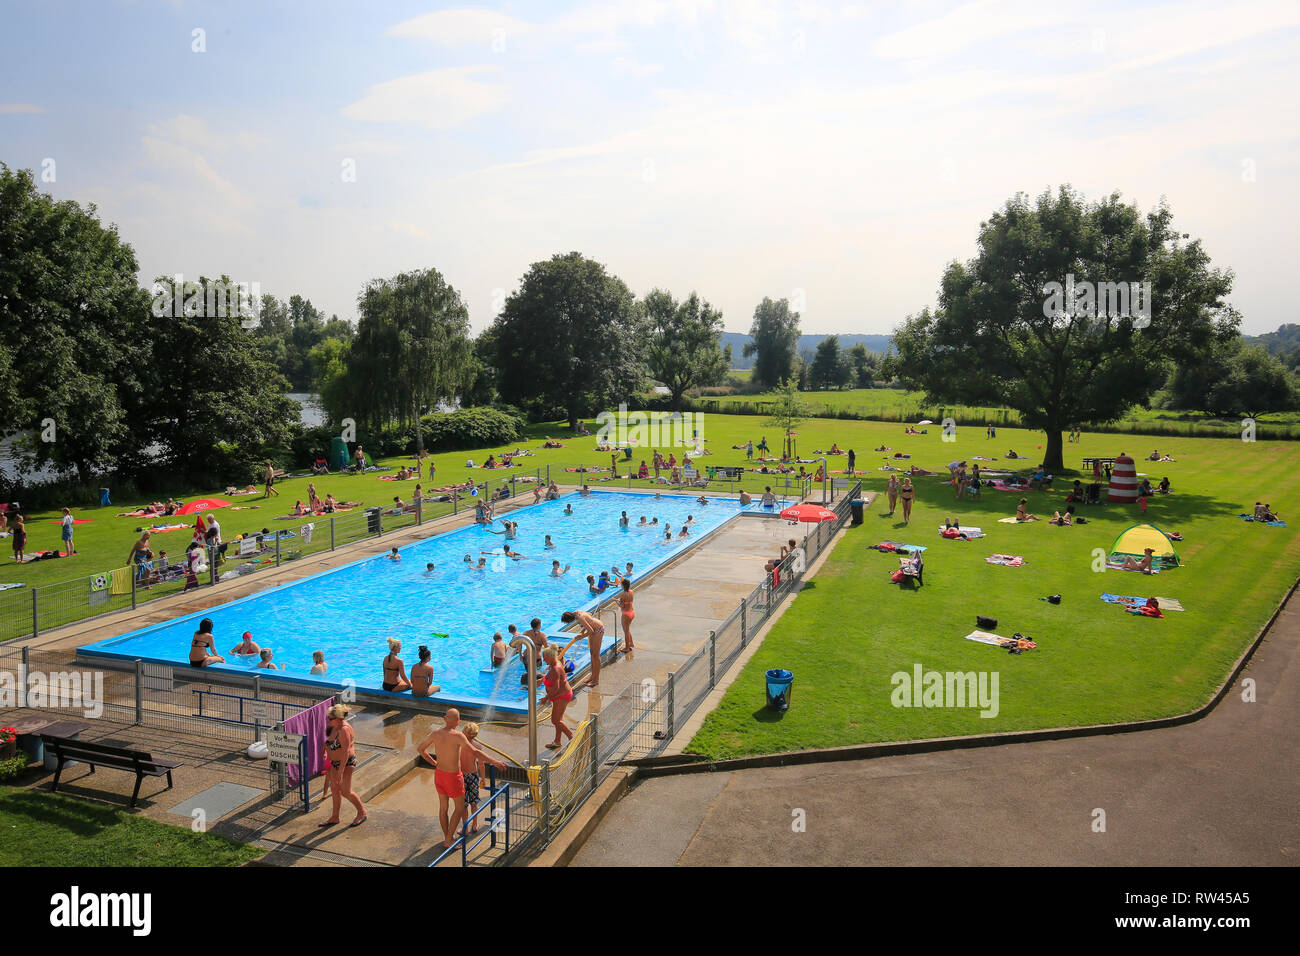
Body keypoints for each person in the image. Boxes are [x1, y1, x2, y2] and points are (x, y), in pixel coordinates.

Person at [416, 709, 475, 847]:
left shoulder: (435, 733)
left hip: (439, 774)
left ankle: (448, 837)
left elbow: (420, 749)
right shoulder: (458, 736)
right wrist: (494, 761)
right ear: (458, 721)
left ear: (444, 719)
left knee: (443, 807)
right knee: (460, 808)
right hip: (453, 777)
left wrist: (433, 762)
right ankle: (448, 840)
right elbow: (474, 751)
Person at [319, 704, 366, 828]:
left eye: (330, 718)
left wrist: (340, 771)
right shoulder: (334, 726)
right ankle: (335, 817)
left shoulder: (344, 729)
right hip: (335, 763)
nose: (328, 720)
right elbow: (328, 741)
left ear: (339, 718)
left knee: (346, 791)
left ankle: (362, 812)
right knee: (334, 789)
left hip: (346, 764)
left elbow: (345, 752)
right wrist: (324, 752)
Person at [460, 722, 506, 832]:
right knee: (474, 802)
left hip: (461, 776)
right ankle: (475, 824)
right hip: (473, 776)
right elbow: (480, 764)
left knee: (463, 805)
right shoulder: (477, 746)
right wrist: (483, 779)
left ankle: (465, 829)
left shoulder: (459, 745)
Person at [538, 645, 575, 751]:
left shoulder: (555, 668)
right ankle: (557, 741)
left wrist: (545, 698)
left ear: (550, 656)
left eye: (544, 657)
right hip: (560, 695)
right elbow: (549, 676)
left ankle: (572, 737)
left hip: (561, 695)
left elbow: (555, 688)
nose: (543, 659)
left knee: (555, 720)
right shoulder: (554, 664)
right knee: (558, 719)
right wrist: (542, 680)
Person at [560, 609, 606, 689]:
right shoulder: (576, 612)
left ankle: (596, 680)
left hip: (598, 630)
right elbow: (589, 614)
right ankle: (592, 676)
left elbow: (591, 631)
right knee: (592, 654)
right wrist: (584, 628)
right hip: (594, 629)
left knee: (596, 655)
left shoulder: (579, 617)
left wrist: (581, 636)